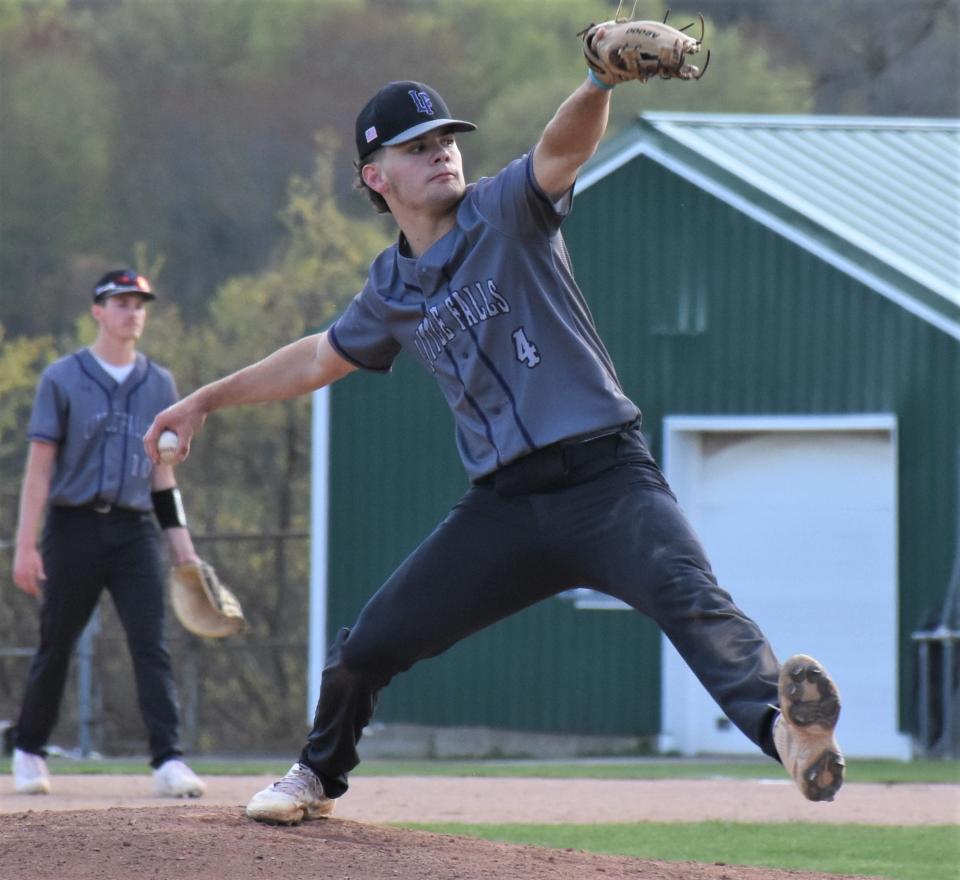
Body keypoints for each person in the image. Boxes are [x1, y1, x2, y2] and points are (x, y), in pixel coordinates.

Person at [144, 75, 845, 824]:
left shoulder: (504, 210)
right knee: (368, 646)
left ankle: (790, 736)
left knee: (696, 605)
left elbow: (563, 148)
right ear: (375, 177)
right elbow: (318, 359)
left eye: (447, 138)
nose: (443, 153)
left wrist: (599, 81)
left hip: (607, 480)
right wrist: (204, 398)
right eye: (419, 147)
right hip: (504, 511)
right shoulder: (392, 287)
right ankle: (315, 777)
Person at [10, 269, 205, 799]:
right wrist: (25, 545)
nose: (131, 312)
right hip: (72, 525)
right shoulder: (62, 377)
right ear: (98, 311)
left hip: (134, 528)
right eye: (120, 302)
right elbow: (40, 470)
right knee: (58, 643)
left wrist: (182, 549)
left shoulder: (159, 383)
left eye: (139, 304)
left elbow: (163, 475)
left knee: (151, 643)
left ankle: (168, 760)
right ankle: (28, 751)